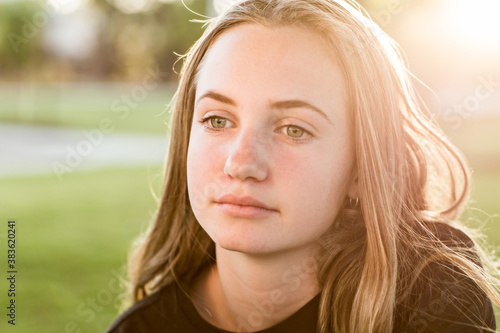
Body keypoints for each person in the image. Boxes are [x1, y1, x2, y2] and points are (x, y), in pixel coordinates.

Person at [106, 0, 500, 332]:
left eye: (293, 129)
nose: (241, 164)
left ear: (361, 169)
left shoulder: (431, 290)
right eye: (217, 120)